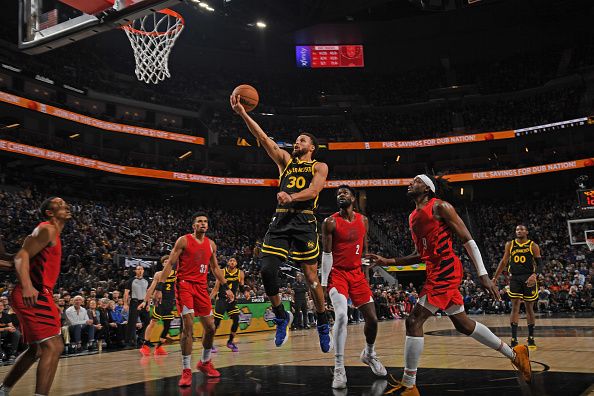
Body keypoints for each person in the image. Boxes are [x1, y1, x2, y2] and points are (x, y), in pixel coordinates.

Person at [367, 176, 532, 395]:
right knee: (463, 325)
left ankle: (409, 384)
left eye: (416, 181)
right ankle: (516, 354)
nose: (410, 183)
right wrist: (389, 261)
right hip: (435, 270)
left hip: (446, 270)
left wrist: (483, 275)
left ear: (427, 188)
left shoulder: (440, 206)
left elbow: (467, 239)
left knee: (414, 320)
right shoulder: (413, 216)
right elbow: (420, 254)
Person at [231, 94, 331, 352]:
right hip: (281, 220)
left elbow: (313, 192)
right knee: (266, 270)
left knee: (311, 278)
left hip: (305, 220)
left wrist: (291, 196)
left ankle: (321, 321)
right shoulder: (285, 162)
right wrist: (242, 112)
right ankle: (280, 315)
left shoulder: (319, 166)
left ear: (312, 148)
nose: (297, 142)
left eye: (302, 140)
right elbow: (264, 138)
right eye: (297, 140)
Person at [0, 197, 71, 396]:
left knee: (37, 350)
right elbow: (21, 256)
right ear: (49, 212)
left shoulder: (54, 233)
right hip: (32, 294)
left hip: (40, 293)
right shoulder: (46, 229)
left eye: (65, 203)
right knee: (53, 347)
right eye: (59, 204)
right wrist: (27, 285)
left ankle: (4, 390)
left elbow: (18, 260)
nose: (65, 206)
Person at [154, 212, 233, 387]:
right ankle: (186, 370)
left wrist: (226, 287)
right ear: (194, 225)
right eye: (199, 222)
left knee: (211, 327)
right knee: (188, 326)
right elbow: (169, 264)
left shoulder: (211, 244)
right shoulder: (183, 241)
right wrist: (159, 287)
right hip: (184, 286)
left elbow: (215, 268)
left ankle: (204, 362)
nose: (203, 224)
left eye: (205, 221)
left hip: (201, 287)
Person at [321, 185, 387, 389]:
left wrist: (366, 275)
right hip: (338, 274)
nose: (341, 195)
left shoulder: (363, 220)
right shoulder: (330, 222)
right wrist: (324, 284)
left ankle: (369, 354)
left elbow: (364, 251)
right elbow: (327, 254)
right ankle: (339, 367)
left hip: (357, 274)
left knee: (373, 320)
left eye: (345, 193)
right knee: (341, 315)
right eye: (338, 194)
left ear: (353, 198)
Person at [492, 224, 542, 349]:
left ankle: (531, 339)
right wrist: (495, 277)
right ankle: (514, 339)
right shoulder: (510, 244)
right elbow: (504, 262)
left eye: (522, 229)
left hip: (528, 278)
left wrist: (535, 275)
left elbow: (540, 264)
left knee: (529, 308)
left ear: (527, 232)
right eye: (517, 229)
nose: (519, 231)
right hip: (514, 278)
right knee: (515, 307)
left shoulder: (533, 245)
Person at [140, 255, 176, 356]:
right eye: (165, 262)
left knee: (167, 325)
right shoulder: (158, 274)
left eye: (169, 261)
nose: (167, 263)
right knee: (153, 322)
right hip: (159, 301)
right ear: (162, 263)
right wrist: (145, 301)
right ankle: (145, 345)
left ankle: (159, 347)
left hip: (169, 302)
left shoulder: (176, 274)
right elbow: (150, 289)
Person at [210, 257, 244, 352]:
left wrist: (246, 292)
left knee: (236, 320)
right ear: (228, 263)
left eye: (234, 260)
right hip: (221, 299)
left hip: (231, 301)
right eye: (230, 260)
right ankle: (209, 342)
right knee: (216, 322)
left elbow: (241, 287)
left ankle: (230, 342)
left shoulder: (240, 273)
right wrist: (209, 299)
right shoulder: (222, 272)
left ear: (236, 263)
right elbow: (216, 288)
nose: (232, 262)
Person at [123, 265, 150, 348]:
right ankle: (129, 342)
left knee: (147, 321)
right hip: (134, 302)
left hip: (144, 302)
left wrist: (148, 304)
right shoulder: (131, 281)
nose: (140, 270)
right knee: (132, 322)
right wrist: (125, 304)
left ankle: (141, 338)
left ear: (143, 271)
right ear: (135, 271)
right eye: (138, 269)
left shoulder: (146, 281)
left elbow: (148, 293)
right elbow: (126, 293)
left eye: (141, 269)